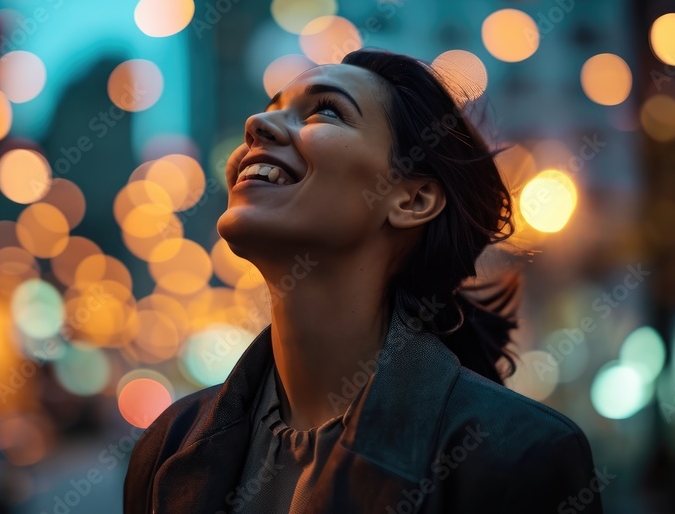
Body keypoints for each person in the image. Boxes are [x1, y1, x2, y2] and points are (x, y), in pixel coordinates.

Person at [123, 49, 604, 513]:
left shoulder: (519, 457)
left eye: (326, 111)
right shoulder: (168, 445)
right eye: (271, 110)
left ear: (412, 200)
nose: (256, 125)